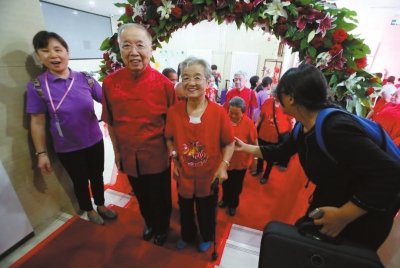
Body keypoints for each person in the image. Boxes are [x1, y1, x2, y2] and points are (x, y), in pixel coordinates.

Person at [235, 64, 400, 250]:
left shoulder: (335, 128)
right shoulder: (302, 126)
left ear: (290, 98)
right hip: (332, 201)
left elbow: (391, 173)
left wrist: (343, 215)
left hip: (362, 216)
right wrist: (244, 147)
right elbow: (281, 152)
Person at [26, 31, 117, 225]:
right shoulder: (37, 86)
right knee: (80, 180)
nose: (53, 55)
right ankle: (88, 208)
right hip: (67, 147)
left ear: (67, 52)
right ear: (38, 56)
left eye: (58, 49)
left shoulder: (86, 79)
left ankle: (101, 205)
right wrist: (41, 153)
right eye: (45, 51)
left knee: (97, 174)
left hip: (94, 139)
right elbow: (37, 121)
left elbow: (108, 101)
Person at [101, 23, 175, 246]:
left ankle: (162, 228)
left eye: (140, 45)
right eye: (126, 46)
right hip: (128, 155)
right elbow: (111, 122)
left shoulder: (164, 85)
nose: (133, 52)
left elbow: (173, 125)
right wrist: (116, 152)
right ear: (120, 51)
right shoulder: (110, 83)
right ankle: (150, 223)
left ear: (151, 49)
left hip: (157, 156)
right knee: (141, 196)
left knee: (160, 197)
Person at [165, 57, 235, 252]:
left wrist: (223, 166)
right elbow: (169, 138)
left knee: (206, 210)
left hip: (209, 175)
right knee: (185, 209)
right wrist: (174, 157)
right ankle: (187, 235)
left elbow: (229, 143)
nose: (191, 83)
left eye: (197, 77)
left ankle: (206, 235)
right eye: (186, 78)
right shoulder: (174, 112)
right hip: (184, 174)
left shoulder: (219, 113)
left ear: (207, 81)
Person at [219, 97, 257, 216]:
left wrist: (255, 159)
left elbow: (254, 142)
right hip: (225, 160)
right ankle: (225, 199)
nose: (233, 116)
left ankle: (233, 204)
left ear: (243, 112)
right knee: (225, 182)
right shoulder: (223, 120)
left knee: (236, 186)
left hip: (241, 162)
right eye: (231, 112)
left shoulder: (248, 123)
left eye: (237, 113)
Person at [253, 90, 293, 184]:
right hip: (264, 133)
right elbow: (261, 116)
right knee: (260, 153)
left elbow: (291, 120)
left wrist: (291, 132)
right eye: (275, 95)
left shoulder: (287, 105)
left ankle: (266, 175)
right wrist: (255, 126)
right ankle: (259, 169)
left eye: (279, 96)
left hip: (277, 136)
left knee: (271, 157)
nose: (276, 97)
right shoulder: (268, 102)